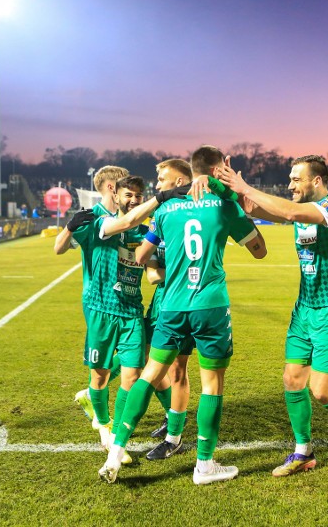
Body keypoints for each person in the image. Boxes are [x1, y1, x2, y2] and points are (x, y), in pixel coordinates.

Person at [99, 145, 267, 485]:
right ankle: (204, 465)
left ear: (188, 172)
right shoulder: (224, 205)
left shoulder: (165, 210)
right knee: (212, 385)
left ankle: (115, 452)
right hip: (210, 307)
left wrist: (162, 260)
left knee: (148, 375)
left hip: (172, 306)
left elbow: (143, 253)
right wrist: (237, 204)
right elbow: (259, 250)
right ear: (219, 170)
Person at [218, 154, 328, 478]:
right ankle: (303, 452)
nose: (290, 184)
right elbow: (256, 209)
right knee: (292, 379)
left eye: (295, 179)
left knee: (323, 391)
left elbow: (288, 210)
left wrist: (244, 184)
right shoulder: (300, 212)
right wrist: (230, 191)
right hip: (305, 306)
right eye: (289, 179)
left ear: (316, 181)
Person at [55, 166, 130, 425]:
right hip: (99, 300)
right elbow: (59, 248)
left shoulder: (129, 215)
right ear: (112, 187)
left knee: (139, 356)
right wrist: (69, 227)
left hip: (128, 299)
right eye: (124, 183)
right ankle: (104, 421)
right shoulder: (91, 217)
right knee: (104, 364)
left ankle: (91, 393)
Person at [138, 158, 195, 459]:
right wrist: (152, 268)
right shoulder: (160, 213)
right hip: (160, 299)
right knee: (150, 360)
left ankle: (174, 435)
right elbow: (149, 260)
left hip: (183, 300)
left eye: (162, 179)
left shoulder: (196, 212)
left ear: (178, 180)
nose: (157, 184)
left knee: (176, 368)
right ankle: (171, 416)